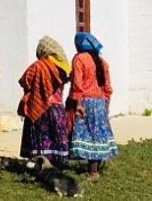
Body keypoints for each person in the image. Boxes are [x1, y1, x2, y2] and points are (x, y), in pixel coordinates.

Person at [68, 32, 116, 179]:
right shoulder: (102, 62)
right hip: (100, 102)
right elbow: (107, 87)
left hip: (87, 102)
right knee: (99, 135)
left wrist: (78, 103)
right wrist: (106, 102)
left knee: (89, 136)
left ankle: (93, 172)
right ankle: (96, 169)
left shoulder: (79, 59)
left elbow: (78, 84)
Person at [19, 36, 71, 168]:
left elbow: (25, 81)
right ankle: (58, 163)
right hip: (57, 108)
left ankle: (40, 164)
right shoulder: (61, 68)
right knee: (56, 136)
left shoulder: (37, 66)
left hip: (39, 107)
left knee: (41, 135)